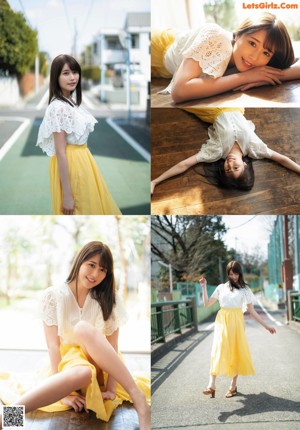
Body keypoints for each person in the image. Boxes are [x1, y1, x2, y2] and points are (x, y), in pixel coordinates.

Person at [0, 241, 150, 430]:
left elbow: (113, 347)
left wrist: (111, 388)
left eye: (103, 270)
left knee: (82, 329)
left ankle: (138, 399)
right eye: (91, 265)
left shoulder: (108, 298)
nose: (95, 274)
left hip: (104, 368)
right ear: (80, 261)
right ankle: (7, 419)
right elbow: (53, 346)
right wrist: (65, 394)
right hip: (69, 367)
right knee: (83, 370)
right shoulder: (53, 296)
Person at [37, 54, 121, 215]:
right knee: (82, 208)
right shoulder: (58, 107)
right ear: (56, 76)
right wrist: (67, 195)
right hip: (72, 166)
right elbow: (60, 151)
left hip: (83, 162)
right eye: (66, 73)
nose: (72, 77)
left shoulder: (71, 102)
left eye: (75, 72)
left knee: (93, 207)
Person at [151, 12, 300, 103]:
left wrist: (267, 76)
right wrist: (246, 77)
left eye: (266, 52)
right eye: (252, 43)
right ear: (239, 34)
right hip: (155, 46)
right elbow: (179, 92)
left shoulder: (256, 63)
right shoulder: (217, 37)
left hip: (160, 71)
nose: (255, 57)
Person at [151, 107, 300, 194]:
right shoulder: (255, 149)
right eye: (236, 168)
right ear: (245, 165)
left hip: (210, 109)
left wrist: (155, 182)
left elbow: (183, 165)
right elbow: (282, 159)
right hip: (235, 105)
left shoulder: (215, 152)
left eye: (228, 170)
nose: (230, 165)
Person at [199, 260, 276, 398]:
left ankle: (233, 385)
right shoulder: (221, 287)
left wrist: (266, 326)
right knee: (218, 349)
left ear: (240, 273)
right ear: (228, 274)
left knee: (235, 352)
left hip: (237, 323)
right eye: (231, 274)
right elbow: (207, 304)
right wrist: (203, 287)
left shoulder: (245, 290)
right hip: (222, 321)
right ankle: (211, 384)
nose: (234, 277)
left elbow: (252, 311)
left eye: (236, 274)